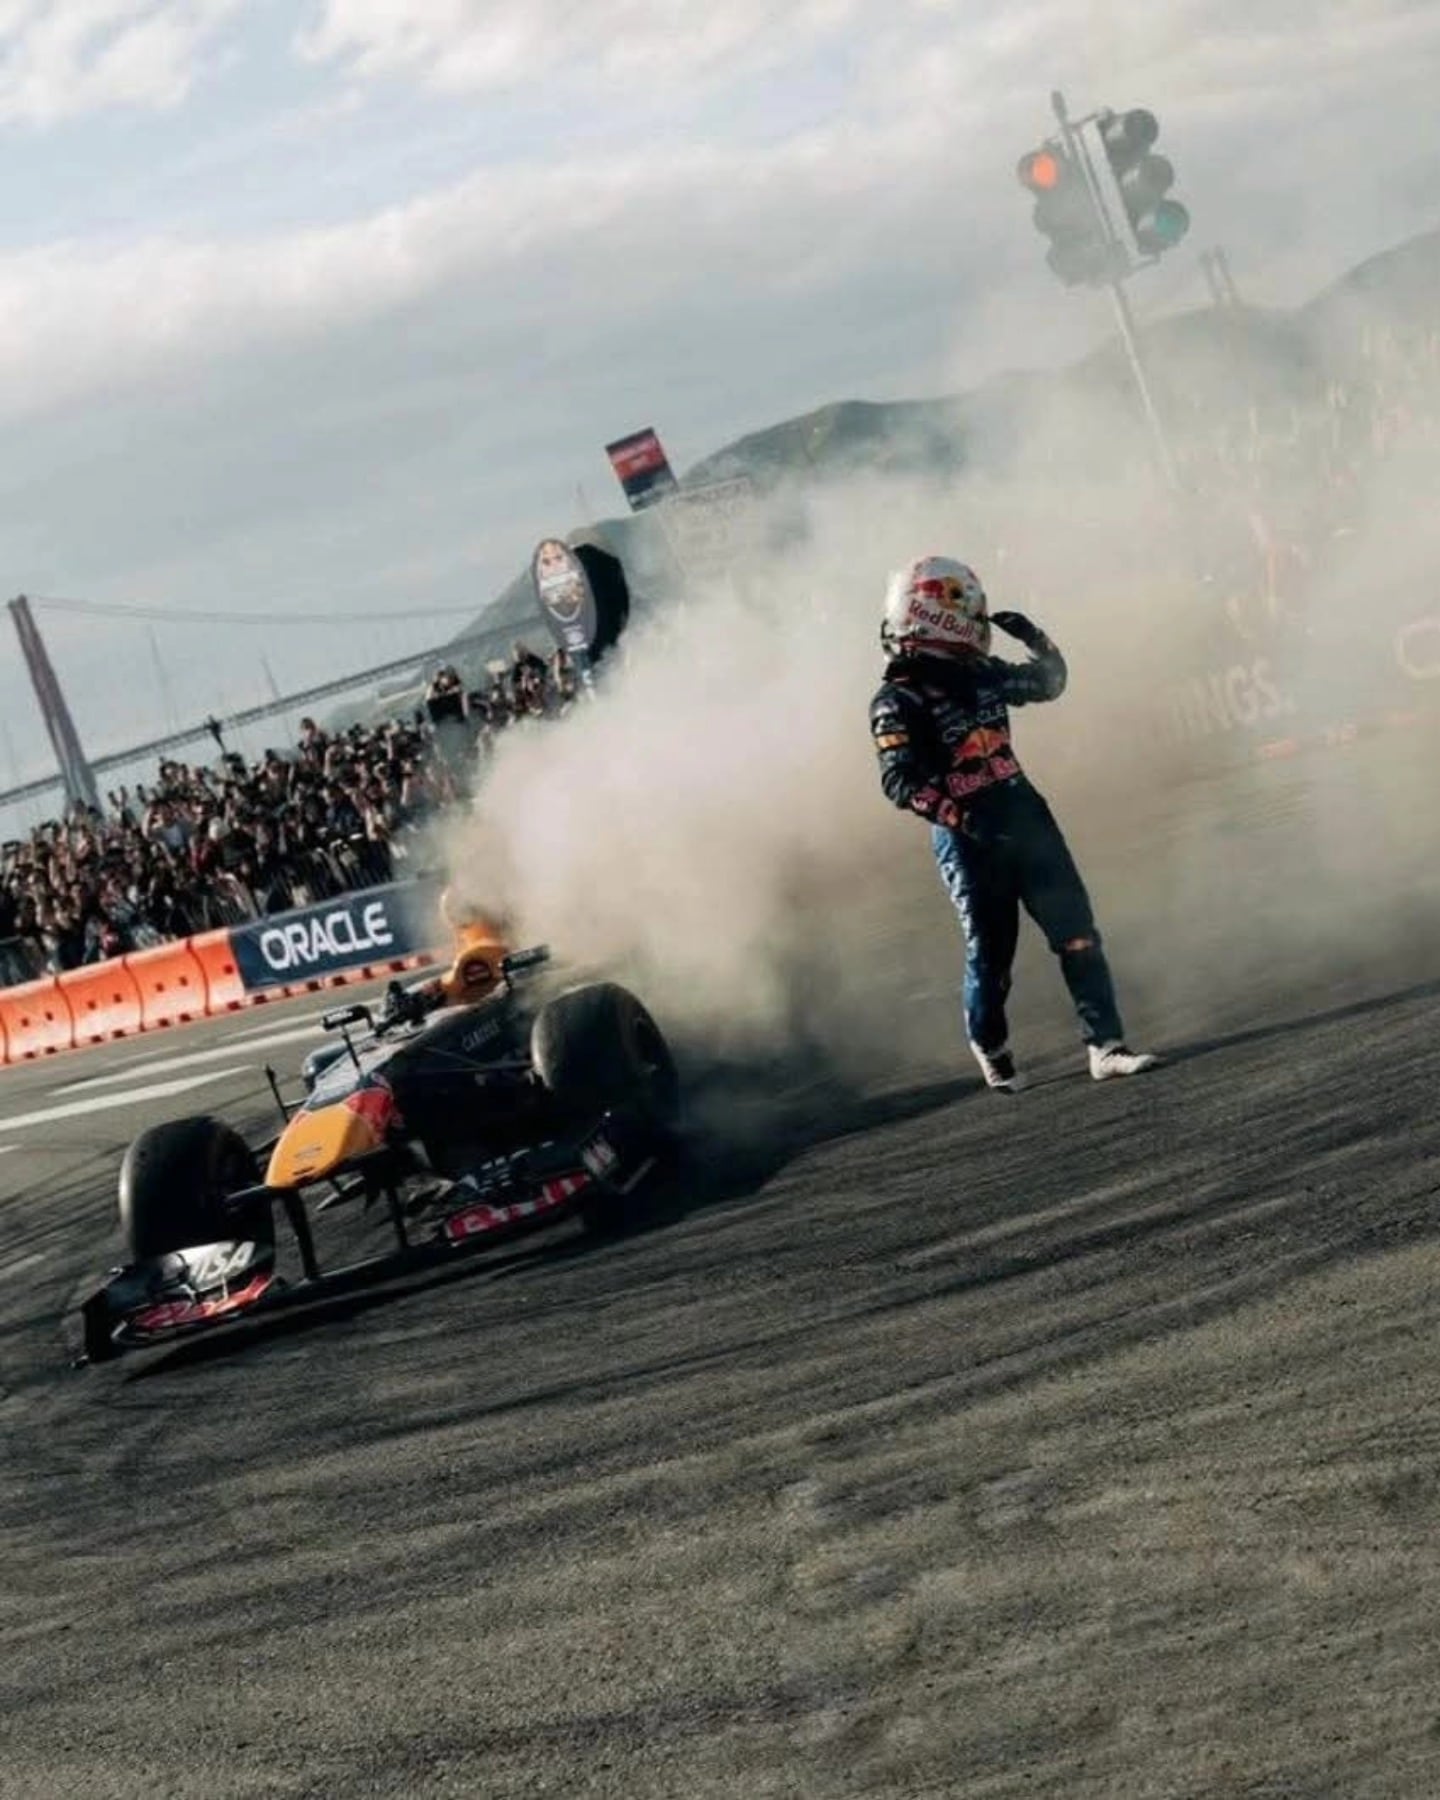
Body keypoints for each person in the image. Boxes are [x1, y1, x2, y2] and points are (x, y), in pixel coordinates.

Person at [868, 554, 1157, 1093]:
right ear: (932, 614)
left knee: (1078, 934)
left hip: (1026, 816)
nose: (975, 617)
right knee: (993, 957)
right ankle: (990, 1043)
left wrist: (1037, 640)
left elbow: (1049, 684)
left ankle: (1106, 1046)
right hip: (967, 840)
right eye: (963, 606)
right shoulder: (896, 699)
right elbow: (899, 783)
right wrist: (961, 817)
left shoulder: (983, 674)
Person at [381, 887, 511, 1025]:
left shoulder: (480, 951)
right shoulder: (484, 942)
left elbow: (457, 983)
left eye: (452, 912)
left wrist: (421, 997)